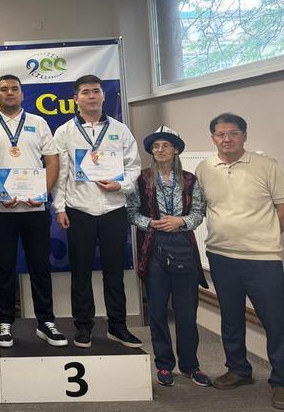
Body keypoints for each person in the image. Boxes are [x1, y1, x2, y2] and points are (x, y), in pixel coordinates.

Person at [0, 74, 66, 349]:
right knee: (3, 268)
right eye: (4, 89)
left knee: (40, 266)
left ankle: (46, 322)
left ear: (22, 94)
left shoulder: (39, 123)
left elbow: (52, 161)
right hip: (2, 209)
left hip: (36, 208)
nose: (9, 92)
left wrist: (42, 192)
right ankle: (4, 322)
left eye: (14, 89)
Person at [195, 113, 284, 409]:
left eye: (233, 133)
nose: (227, 139)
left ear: (244, 135)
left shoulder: (266, 165)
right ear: (213, 138)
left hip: (262, 258)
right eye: (220, 134)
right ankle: (238, 369)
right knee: (231, 317)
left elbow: (281, 207)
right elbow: (203, 208)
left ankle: (281, 380)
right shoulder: (205, 168)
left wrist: (264, 236)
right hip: (221, 255)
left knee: (275, 320)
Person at [52, 74, 142, 349]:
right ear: (76, 99)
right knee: (80, 272)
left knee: (114, 272)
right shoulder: (64, 132)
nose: (91, 96)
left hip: (113, 208)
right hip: (79, 209)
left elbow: (133, 166)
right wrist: (59, 208)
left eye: (96, 91)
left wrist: (121, 185)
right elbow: (60, 174)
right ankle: (83, 327)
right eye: (85, 92)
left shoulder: (120, 130)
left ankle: (118, 326)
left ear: (103, 95)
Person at [127, 126, 211, 387]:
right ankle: (164, 365)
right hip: (153, 247)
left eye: (165, 145)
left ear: (176, 149)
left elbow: (198, 212)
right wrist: (151, 223)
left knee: (186, 311)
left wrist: (180, 222)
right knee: (157, 311)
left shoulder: (189, 180)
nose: (160, 150)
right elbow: (132, 212)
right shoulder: (141, 179)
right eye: (156, 146)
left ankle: (190, 365)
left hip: (183, 246)